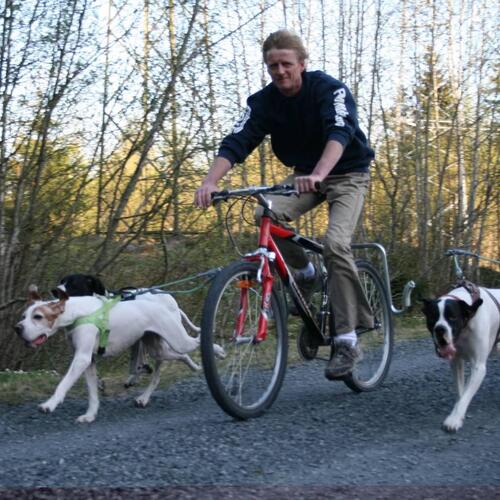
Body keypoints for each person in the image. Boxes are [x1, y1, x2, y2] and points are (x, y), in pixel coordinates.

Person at [194, 29, 375, 380]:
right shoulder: (264, 102)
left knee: (336, 244)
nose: (279, 71)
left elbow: (341, 130)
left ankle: (347, 340)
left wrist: (322, 172)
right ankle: (304, 274)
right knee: (266, 213)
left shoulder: (328, 90)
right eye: (272, 65)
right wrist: (210, 181)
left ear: (302, 64)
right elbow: (238, 140)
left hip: (347, 172)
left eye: (286, 64)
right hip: (305, 174)